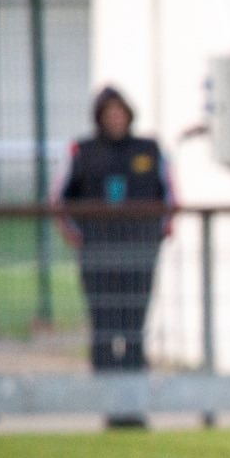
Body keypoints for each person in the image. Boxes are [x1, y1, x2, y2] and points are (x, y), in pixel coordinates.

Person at [59, 85, 173, 429]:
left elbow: (169, 196)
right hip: (98, 257)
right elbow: (61, 200)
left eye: (120, 112)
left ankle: (134, 406)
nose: (116, 119)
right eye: (109, 113)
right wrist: (80, 237)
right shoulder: (82, 151)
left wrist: (155, 236)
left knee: (134, 330)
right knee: (105, 329)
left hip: (139, 255)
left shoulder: (149, 150)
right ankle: (110, 406)